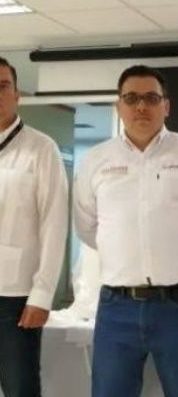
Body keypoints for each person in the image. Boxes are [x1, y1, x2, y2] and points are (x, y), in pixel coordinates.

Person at [73, 65, 178, 397]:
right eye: (131, 98)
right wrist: (125, 253)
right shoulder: (96, 160)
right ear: (119, 106)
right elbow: (87, 227)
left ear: (166, 106)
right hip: (117, 308)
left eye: (151, 98)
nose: (141, 107)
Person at [0, 56, 68, 397]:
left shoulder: (41, 149)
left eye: (3, 86)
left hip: (14, 298)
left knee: (20, 388)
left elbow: (55, 225)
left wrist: (42, 294)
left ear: (17, 94)